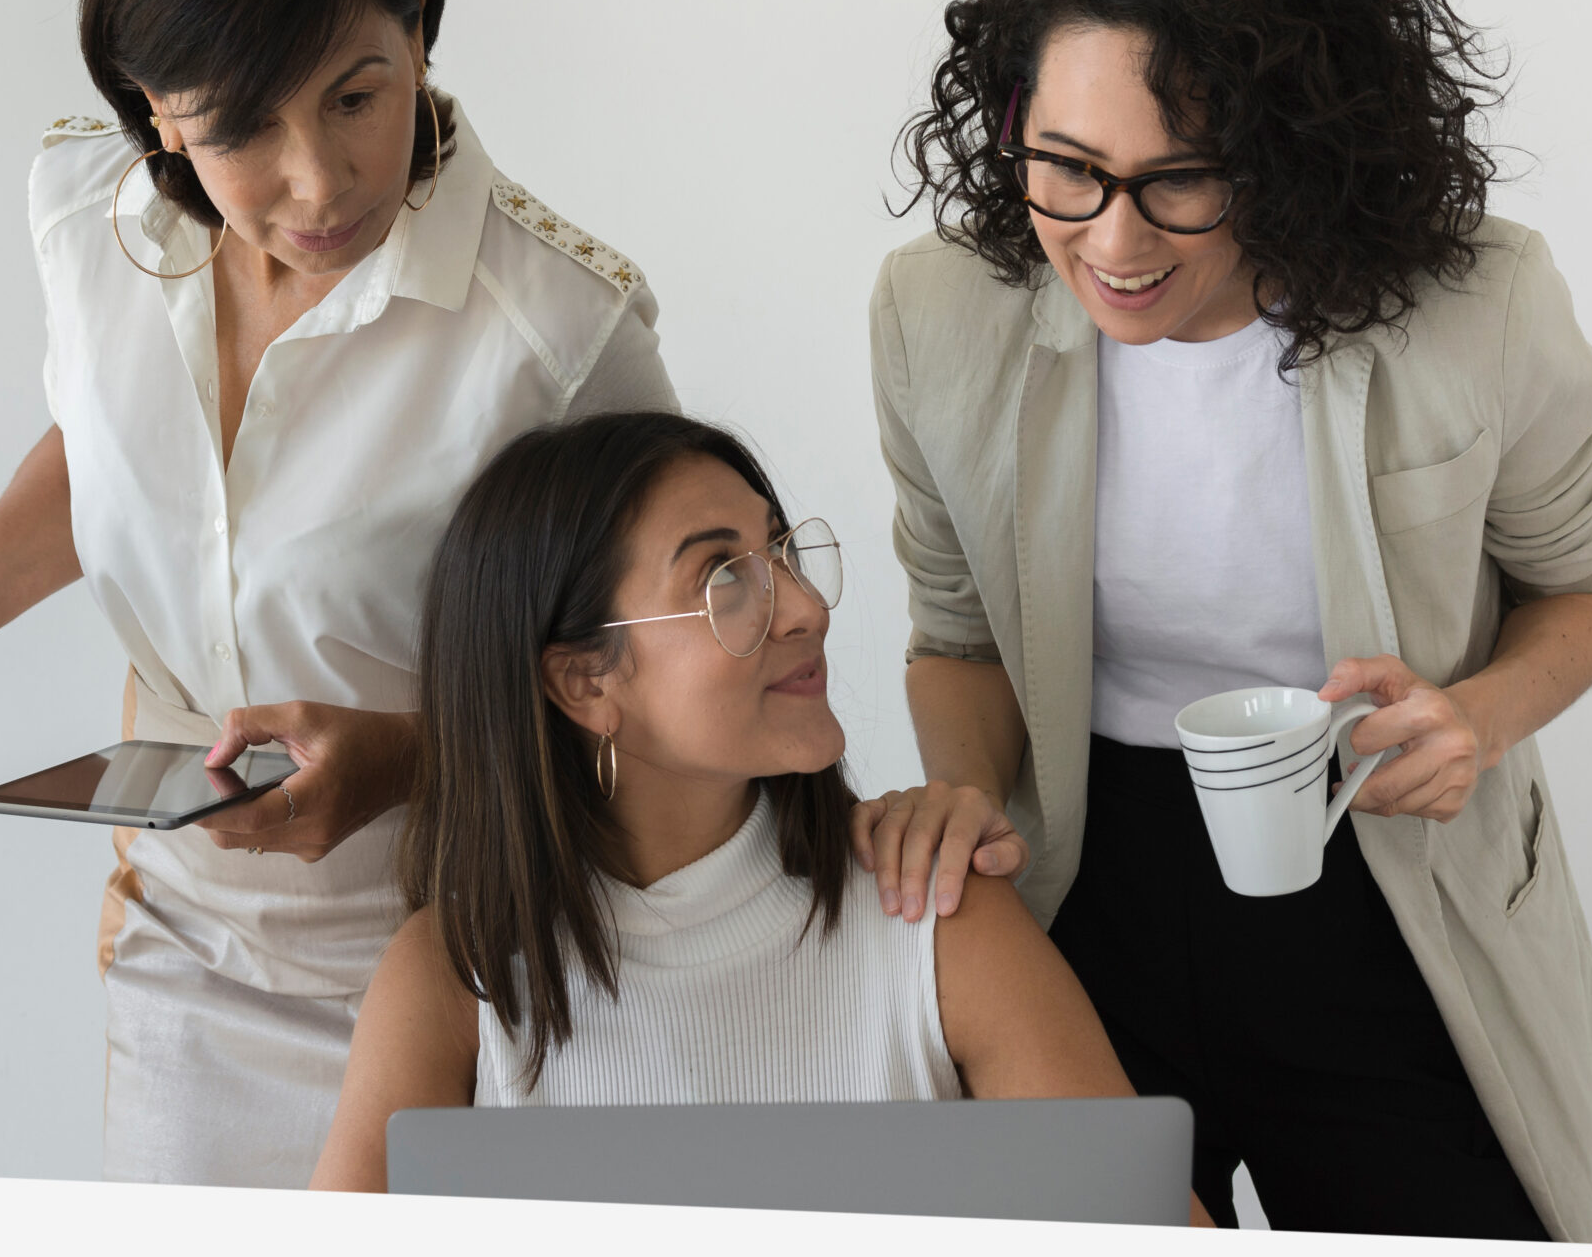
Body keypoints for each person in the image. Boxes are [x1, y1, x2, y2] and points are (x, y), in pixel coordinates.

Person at [0, 0, 675, 1186]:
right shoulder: (85, 210)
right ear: (153, 109)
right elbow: (111, 441)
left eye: (356, 95)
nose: (318, 180)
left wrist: (411, 756)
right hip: (187, 950)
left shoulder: (559, 326)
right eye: (240, 128)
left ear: (420, 26)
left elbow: (670, 666)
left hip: (482, 961)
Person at [856, 0, 1592, 1240]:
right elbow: (957, 636)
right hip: (1085, 873)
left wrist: (1473, 718)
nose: (1112, 242)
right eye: (1067, 167)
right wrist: (967, 790)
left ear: (1289, 151)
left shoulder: (1476, 307)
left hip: (1382, 863)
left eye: (1181, 178)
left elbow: (1591, 584)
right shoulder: (938, 311)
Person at [312, 412, 1211, 1227]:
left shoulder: (938, 915)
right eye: (725, 578)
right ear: (585, 681)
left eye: (781, 553)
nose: (808, 609)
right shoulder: (452, 978)